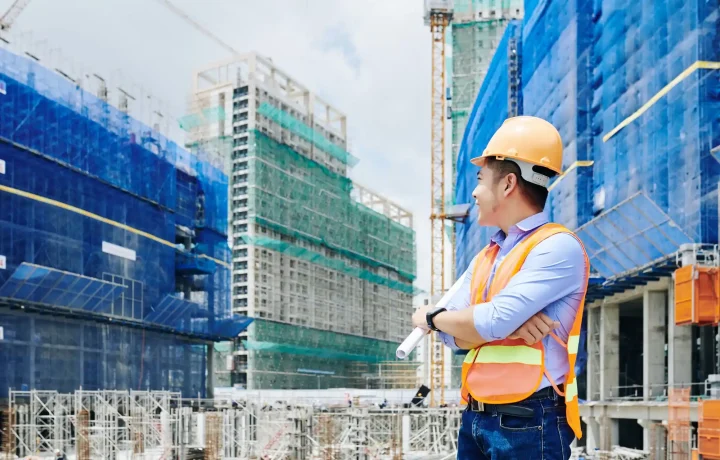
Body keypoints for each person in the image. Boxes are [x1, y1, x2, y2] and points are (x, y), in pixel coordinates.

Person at [412, 116, 589, 460]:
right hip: (476, 419)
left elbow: (488, 321)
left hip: (528, 422)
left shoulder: (557, 247)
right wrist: (501, 325)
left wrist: (433, 318)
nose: (475, 192)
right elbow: (456, 338)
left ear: (508, 184)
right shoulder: (486, 256)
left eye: (480, 180)